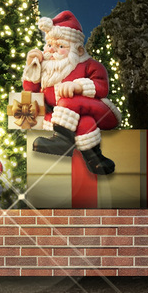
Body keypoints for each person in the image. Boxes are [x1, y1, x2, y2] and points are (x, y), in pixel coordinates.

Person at [22, 11, 123, 174]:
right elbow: (30, 93)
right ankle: (95, 160)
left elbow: (102, 87)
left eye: (61, 46)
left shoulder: (90, 65)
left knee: (69, 100)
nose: (52, 51)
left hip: (100, 111)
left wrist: (78, 87)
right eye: (49, 45)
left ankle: (62, 141)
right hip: (61, 117)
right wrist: (32, 67)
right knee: (84, 121)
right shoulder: (46, 67)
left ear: (79, 50)